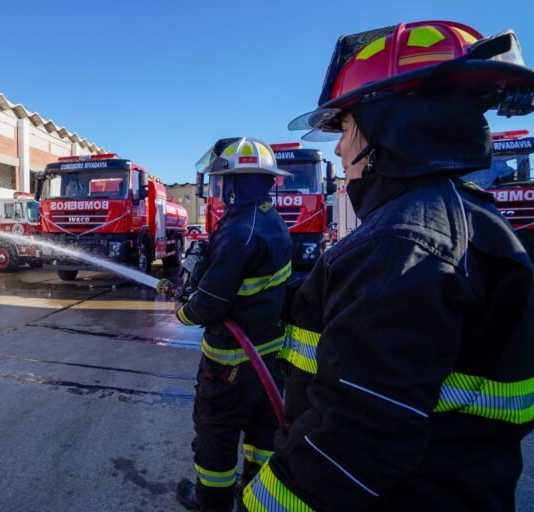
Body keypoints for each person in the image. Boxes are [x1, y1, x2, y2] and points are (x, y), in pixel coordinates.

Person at [240, 21, 534, 511]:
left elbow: (353, 444)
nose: (338, 149)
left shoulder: (404, 243)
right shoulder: (464, 216)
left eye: (347, 127)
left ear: (391, 125)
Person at [165, 137, 293, 511]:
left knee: (216, 432)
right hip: (268, 354)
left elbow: (211, 305)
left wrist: (184, 311)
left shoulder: (239, 232)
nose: (216, 188)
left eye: (221, 180)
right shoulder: (269, 220)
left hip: (232, 361)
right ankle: (253, 497)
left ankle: (212, 501)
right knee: (261, 430)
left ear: (235, 184)